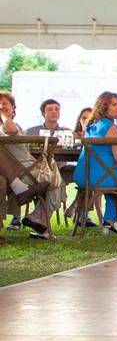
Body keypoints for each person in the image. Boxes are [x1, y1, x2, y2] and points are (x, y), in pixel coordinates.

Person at [75, 91, 117, 234]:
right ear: (104, 107)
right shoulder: (111, 128)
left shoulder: (89, 126)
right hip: (101, 177)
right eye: (114, 104)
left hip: (84, 176)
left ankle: (109, 222)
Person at [0, 91, 51, 234]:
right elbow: (8, 129)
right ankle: (19, 188)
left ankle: (37, 218)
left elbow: (11, 131)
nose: (1, 106)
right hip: (21, 172)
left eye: (5, 103)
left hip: (24, 170)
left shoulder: (14, 125)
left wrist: (36, 161)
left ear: (13, 107)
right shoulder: (5, 124)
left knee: (53, 178)